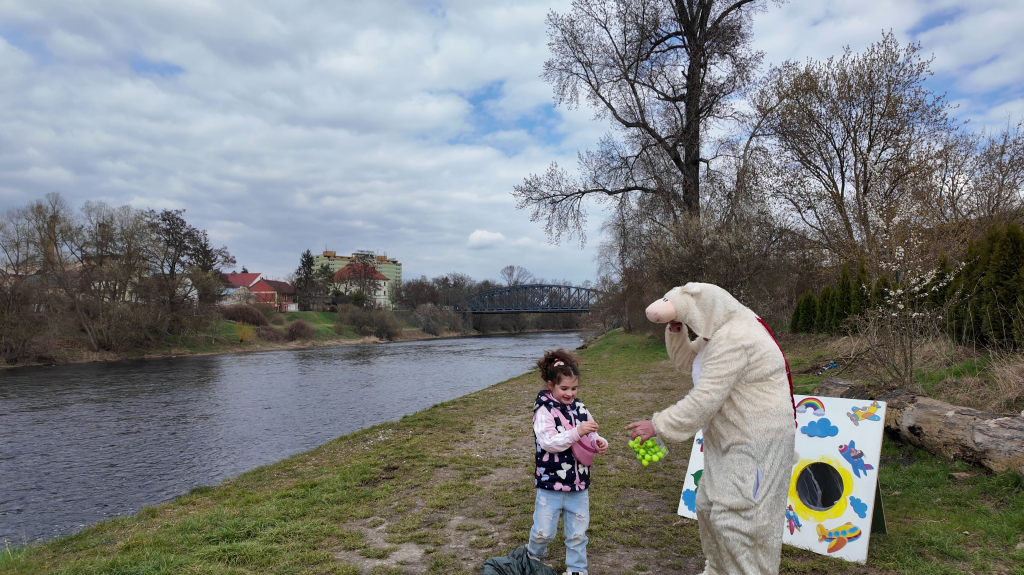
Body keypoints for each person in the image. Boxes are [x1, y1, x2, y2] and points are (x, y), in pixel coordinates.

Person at [627, 283, 796, 575]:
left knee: (738, 520)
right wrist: (677, 330)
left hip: (755, 441)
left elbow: (706, 398)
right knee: (706, 507)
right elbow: (689, 363)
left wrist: (658, 425)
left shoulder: (736, 337)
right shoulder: (715, 334)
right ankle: (719, 568)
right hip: (728, 438)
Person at [528, 349, 608, 575]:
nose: (570, 393)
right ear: (550, 385)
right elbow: (549, 443)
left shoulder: (580, 408)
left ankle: (576, 569)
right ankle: (534, 555)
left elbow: (591, 433)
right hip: (550, 483)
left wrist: (600, 442)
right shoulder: (544, 411)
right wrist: (577, 432)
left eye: (574, 388)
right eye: (564, 388)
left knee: (577, 532)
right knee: (543, 531)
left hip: (578, 483)